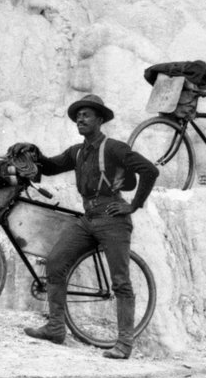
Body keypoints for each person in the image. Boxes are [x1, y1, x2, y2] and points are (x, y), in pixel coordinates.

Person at [18, 94, 159, 360]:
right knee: (56, 262)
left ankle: (124, 344)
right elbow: (49, 167)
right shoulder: (78, 152)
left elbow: (150, 171)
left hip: (113, 219)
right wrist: (33, 152)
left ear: (100, 120)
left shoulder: (115, 148)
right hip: (88, 218)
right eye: (78, 116)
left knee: (120, 282)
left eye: (86, 115)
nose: (80, 119)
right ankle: (56, 328)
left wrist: (133, 206)